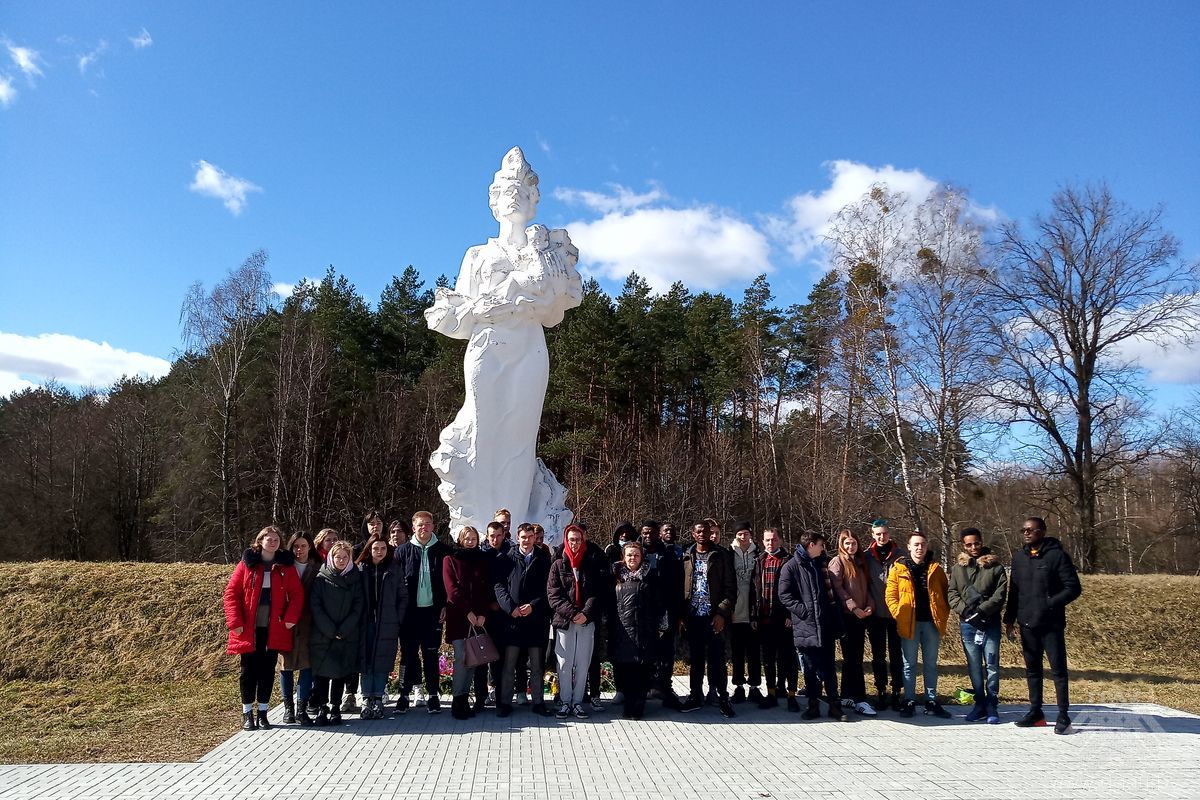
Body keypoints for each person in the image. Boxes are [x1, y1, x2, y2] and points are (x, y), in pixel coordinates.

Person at [425, 146, 582, 536]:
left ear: (533, 201)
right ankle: (476, 531)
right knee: (482, 429)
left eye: (521, 191)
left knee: (520, 437)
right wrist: (486, 303)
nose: (513, 197)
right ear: (493, 202)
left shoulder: (547, 252)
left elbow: (559, 308)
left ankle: (515, 533)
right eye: (506, 191)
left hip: (529, 344)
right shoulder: (477, 255)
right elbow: (458, 313)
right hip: (487, 345)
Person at [1003, 516, 1082, 734]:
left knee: (1058, 671)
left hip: (1051, 624)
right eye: (1024, 530)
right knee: (1033, 670)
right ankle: (1036, 712)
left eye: (1031, 530)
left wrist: (1049, 603)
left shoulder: (1057, 556)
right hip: (1027, 622)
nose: (1027, 533)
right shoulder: (1018, 557)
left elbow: (1073, 588)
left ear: (1043, 531)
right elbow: (1014, 591)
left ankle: (1063, 715)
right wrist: (1009, 619)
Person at [224, 525, 303, 731]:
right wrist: (235, 623)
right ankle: (247, 713)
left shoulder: (286, 566)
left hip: (274, 628)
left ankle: (263, 713)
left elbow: (297, 595)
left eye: (276, 539)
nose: (273, 542)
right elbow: (231, 593)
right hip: (249, 628)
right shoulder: (247, 564)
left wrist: (290, 619)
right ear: (260, 541)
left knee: (267, 670)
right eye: (269, 539)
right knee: (247, 671)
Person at [778, 531, 847, 722]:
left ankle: (834, 705)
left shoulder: (823, 564)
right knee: (810, 669)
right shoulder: (791, 566)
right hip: (806, 626)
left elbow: (831, 595)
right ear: (811, 545)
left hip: (825, 625)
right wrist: (804, 611)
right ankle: (813, 705)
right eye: (820, 545)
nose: (823, 548)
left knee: (829, 668)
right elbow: (784, 595)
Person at [885, 531, 951, 719]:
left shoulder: (935, 568)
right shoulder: (899, 568)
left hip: (931, 624)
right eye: (916, 544)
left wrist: (943, 613)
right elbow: (891, 595)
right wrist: (899, 613)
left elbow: (945, 594)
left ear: (926, 546)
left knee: (930, 663)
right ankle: (909, 700)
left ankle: (931, 701)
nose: (919, 548)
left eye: (922, 544)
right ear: (909, 547)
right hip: (909, 623)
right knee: (909, 664)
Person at [947, 527, 1007, 724]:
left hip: (989, 623)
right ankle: (979, 703)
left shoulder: (995, 567)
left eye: (977, 543)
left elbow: (1000, 594)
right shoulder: (958, 568)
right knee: (974, 665)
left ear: (982, 542)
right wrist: (966, 612)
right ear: (963, 546)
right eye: (969, 544)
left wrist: (982, 611)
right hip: (968, 624)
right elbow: (952, 594)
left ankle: (992, 703)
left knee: (991, 664)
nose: (974, 547)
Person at [493, 522, 553, 717]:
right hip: (513, 620)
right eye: (523, 537)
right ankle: (504, 703)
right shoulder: (506, 558)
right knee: (509, 663)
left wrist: (533, 606)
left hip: (536, 620)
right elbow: (499, 587)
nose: (526, 540)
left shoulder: (543, 558)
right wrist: (511, 608)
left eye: (530, 537)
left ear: (534, 538)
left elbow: (548, 588)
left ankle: (538, 702)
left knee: (537, 664)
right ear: (517, 538)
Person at [395, 510, 451, 714]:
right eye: (420, 524)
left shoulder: (444, 550)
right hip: (409, 614)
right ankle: (403, 695)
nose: (424, 528)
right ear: (413, 527)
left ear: (433, 526)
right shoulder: (402, 551)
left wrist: (445, 604)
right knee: (408, 655)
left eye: (427, 524)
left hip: (433, 613)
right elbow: (396, 584)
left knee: (431, 655)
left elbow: (449, 582)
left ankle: (433, 695)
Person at [679, 520, 736, 718]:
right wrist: (681, 615)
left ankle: (722, 697)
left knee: (717, 660)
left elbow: (730, 588)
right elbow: (680, 588)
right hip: (693, 616)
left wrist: (721, 613)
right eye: (698, 531)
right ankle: (695, 696)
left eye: (706, 531)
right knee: (695, 660)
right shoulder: (686, 556)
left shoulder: (720, 555)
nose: (703, 534)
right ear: (693, 534)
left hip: (714, 617)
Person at [547, 523, 604, 719]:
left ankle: (578, 701)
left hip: (586, 621)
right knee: (564, 662)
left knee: (582, 662)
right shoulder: (558, 564)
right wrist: (572, 614)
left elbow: (597, 592)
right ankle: (565, 701)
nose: (575, 544)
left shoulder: (591, 562)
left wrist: (585, 614)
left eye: (578, 540)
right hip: (565, 621)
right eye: (571, 540)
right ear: (566, 540)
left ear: (583, 540)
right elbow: (553, 595)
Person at [309, 541, 364, 726]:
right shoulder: (321, 578)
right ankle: (322, 707)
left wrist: (344, 629)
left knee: (340, 673)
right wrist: (330, 629)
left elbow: (358, 606)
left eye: (344, 557)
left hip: (346, 634)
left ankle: (335, 707)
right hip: (323, 635)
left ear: (350, 559)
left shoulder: (355, 578)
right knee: (322, 675)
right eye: (337, 557)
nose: (341, 560)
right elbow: (315, 606)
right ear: (331, 557)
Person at [443, 526, 495, 719]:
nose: (471, 541)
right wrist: (468, 612)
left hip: (478, 618)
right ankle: (458, 698)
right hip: (459, 617)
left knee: (473, 659)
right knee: (461, 657)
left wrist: (483, 613)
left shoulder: (482, 559)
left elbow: (486, 588)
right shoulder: (450, 559)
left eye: (474, 538)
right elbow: (452, 590)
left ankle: (465, 697)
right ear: (460, 540)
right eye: (467, 538)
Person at [611, 541, 667, 719]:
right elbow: (609, 604)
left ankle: (639, 706)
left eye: (636, 555)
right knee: (626, 670)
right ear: (623, 557)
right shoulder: (616, 575)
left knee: (643, 670)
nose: (632, 558)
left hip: (646, 630)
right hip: (623, 631)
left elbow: (660, 603)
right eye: (629, 555)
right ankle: (628, 704)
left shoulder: (651, 574)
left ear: (641, 557)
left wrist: (661, 626)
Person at [827, 529, 877, 716]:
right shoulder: (837, 562)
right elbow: (838, 589)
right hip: (846, 617)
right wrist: (853, 607)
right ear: (841, 544)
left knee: (854, 658)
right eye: (847, 543)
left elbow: (868, 587)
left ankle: (847, 694)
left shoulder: (861, 562)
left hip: (861, 616)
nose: (850, 546)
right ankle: (860, 698)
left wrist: (870, 606)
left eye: (853, 543)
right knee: (854, 659)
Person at [359, 538, 407, 720]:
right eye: (375, 548)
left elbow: (403, 596)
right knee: (366, 660)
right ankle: (366, 698)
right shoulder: (362, 569)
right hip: (366, 623)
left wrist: (397, 618)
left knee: (382, 660)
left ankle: (378, 697)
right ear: (369, 550)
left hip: (387, 623)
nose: (379, 551)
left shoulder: (394, 569)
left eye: (383, 548)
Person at [752, 527, 798, 711]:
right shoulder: (760, 560)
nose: (770, 543)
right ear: (762, 542)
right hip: (765, 617)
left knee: (788, 659)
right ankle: (771, 693)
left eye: (773, 539)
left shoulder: (789, 561)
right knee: (768, 659)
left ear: (780, 541)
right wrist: (754, 615)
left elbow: (796, 590)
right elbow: (754, 590)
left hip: (784, 618)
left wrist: (790, 614)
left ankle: (791, 695)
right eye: (767, 540)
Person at [640, 519, 683, 709]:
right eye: (645, 533)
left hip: (665, 610)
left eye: (651, 533)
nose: (648, 536)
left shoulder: (668, 554)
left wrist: (677, 612)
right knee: (644, 652)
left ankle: (665, 688)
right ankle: (644, 688)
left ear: (658, 534)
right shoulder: (636, 553)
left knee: (666, 653)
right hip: (642, 611)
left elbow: (677, 584)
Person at [278, 532, 319, 725]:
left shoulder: (317, 568)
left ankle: (302, 708)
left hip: (309, 623)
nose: (299, 550)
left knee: (306, 665)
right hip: (285, 622)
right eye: (295, 546)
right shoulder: (283, 567)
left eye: (303, 546)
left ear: (310, 547)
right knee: (285, 666)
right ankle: (288, 709)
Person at [863, 518, 903, 711]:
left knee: (896, 655)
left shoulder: (901, 555)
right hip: (876, 614)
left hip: (897, 614)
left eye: (884, 533)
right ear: (872, 535)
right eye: (878, 534)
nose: (881, 537)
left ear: (889, 533)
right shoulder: (866, 556)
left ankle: (897, 691)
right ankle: (881, 690)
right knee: (878, 656)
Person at [728, 521, 762, 705]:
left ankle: (755, 687)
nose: (743, 537)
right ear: (736, 535)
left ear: (750, 534)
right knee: (737, 652)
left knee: (754, 652)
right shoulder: (728, 553)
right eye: (740, 534)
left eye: (746, 534)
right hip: (735, 611)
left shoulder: (758, 554)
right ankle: (738, 686)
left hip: (753, 610)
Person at [481, 520, 512, 706]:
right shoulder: (482, 554)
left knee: (500, 657)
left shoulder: (510, 553)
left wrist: (504, 604)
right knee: (482, 657)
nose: (495, 539)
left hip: (504, 613)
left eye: (498, 535)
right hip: (485, 612)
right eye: (492, 535)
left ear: (504, 535)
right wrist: (488, 604)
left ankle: (501, 697)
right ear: (487, 536)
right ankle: (482, 696)